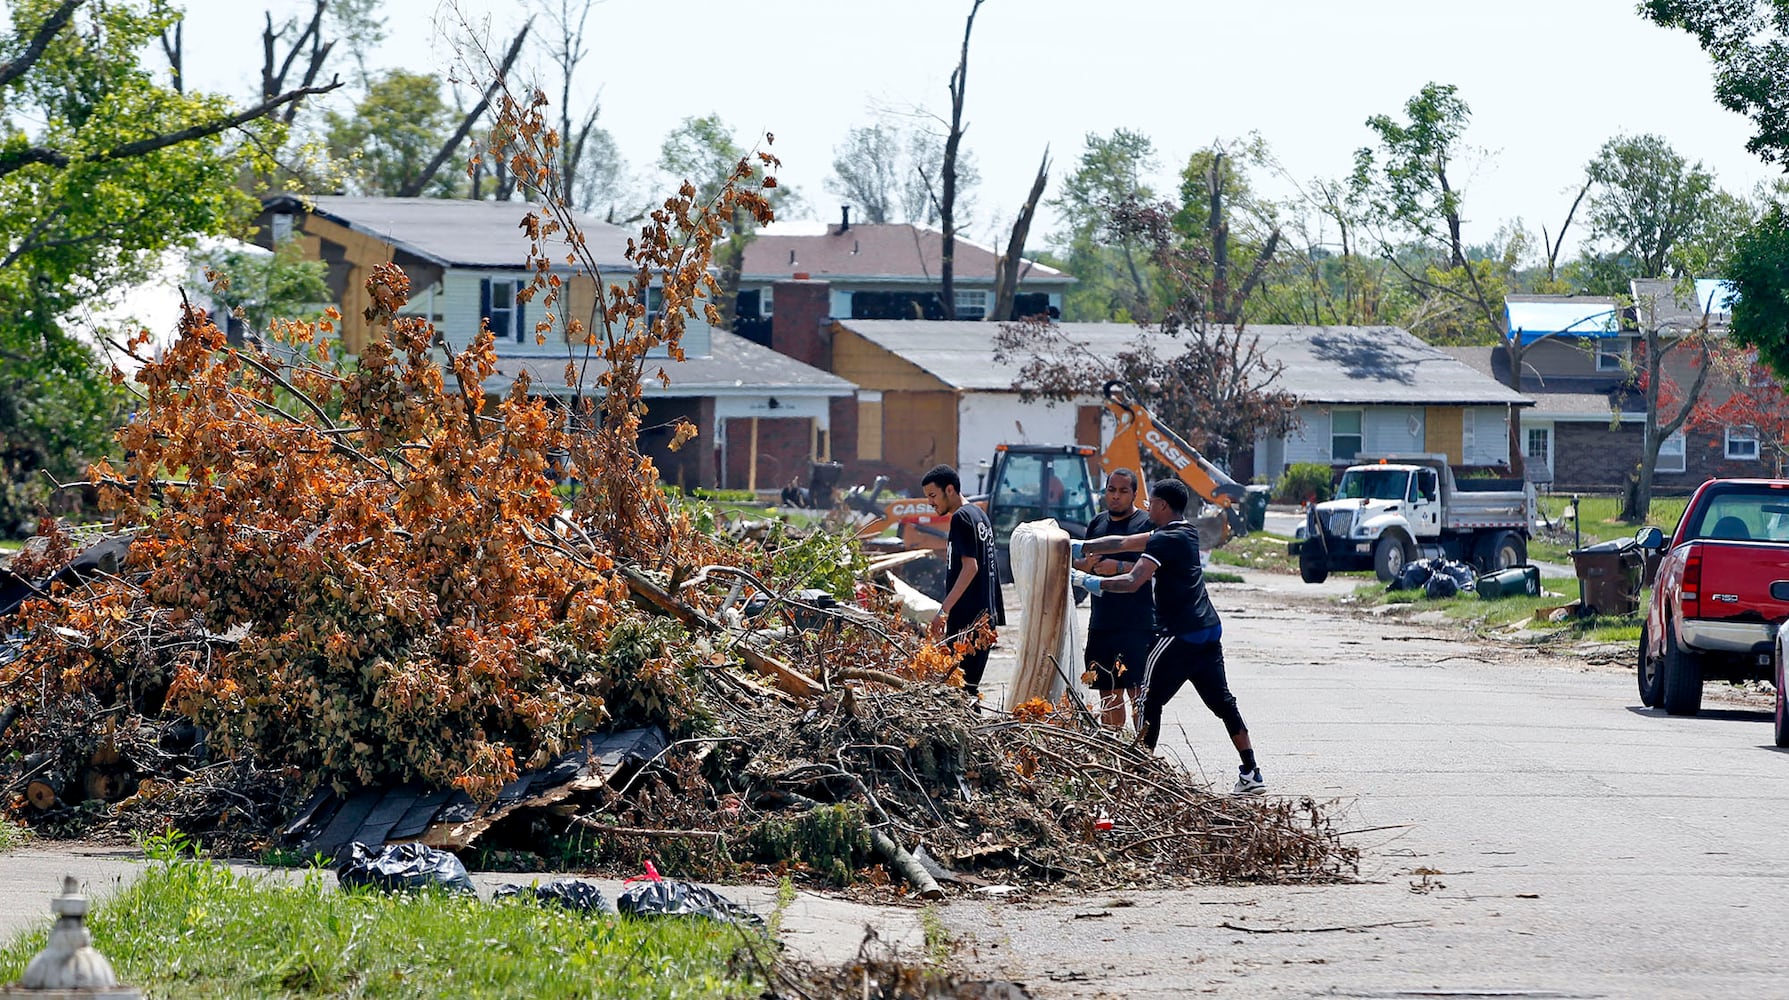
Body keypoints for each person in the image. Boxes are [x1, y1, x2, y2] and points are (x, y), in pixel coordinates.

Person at [1070, 479, 1265, 795]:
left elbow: (1134, 581)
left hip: (1178, 633)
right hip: (1208, 631)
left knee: (1147, 698)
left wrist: (1090, 582)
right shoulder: (1185, 531)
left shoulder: (1164, 540)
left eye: (1151, 504)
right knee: (1222, 702)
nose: (1147, 509)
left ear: (1161, 506)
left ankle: (1140, 774)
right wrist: (1083, 546)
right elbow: (1125, 543)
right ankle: (1251, 770)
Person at [1074, 469, 1152, 730]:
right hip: (1102, 623)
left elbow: (1157, 569)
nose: (1116, 496)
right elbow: (1083, 565)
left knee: (1138, 695)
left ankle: (1143, 751)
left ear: (1134, 494)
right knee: (1108, 694)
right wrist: (1086, 565)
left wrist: (1118, 567)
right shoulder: (1097, 524)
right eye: (1111, 490)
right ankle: (1114, 751)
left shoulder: (1145, 526)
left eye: (1123, 491)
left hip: (1136, 624)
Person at [921, 464, 1006, 698]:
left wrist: (943, 611)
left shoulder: (961, 518)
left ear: (949, 490)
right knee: (966, 691)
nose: (930, 503)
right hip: (983, 620)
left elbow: (971, 567)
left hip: (968, 622)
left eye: (933, 496)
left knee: (959, 692)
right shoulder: (979, 515)